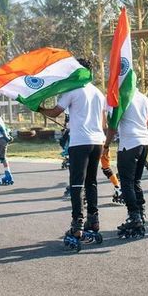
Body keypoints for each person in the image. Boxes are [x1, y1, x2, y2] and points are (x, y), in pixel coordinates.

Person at [38, 58, 106, 249]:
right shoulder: (98, 92)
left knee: (76, 184)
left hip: (80, 143)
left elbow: (54, 112)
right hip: (97, 142)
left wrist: (38, 107)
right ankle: (93, 222)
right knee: (91, 182)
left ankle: (77, 225)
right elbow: (102, 123)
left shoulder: (73, 90)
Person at [104, 88, 148, 238]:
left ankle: (134, 216)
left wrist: (106, 146)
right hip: (144, 142)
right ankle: (140, 212)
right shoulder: (144, 98)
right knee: (136, 181)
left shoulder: (122, 98)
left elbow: (112, 126)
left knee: (126, 182)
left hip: (129, 143)